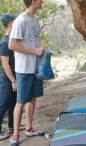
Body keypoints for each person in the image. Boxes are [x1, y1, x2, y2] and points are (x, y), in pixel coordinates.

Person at [9, 0, 45, 145]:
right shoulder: (20, 21)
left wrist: (41, 53)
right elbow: (12, 45)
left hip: (36, 67)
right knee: (21, 101)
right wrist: (34, 51)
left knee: (33, 98)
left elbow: (34, 42)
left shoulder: (35, 19)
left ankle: (29, 128)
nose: (42, 1)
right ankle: (15, 135)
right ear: (33, 1)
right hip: (23, 69)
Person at [0, 13, 16, 141]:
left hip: (13, 78)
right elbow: (5, 64)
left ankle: (11, 127)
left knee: (13, 103)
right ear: (11, 23)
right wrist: (13, 80)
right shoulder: (5, 42)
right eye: (15, 20)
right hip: (7, 79)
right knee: (3, 105)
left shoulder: (11, 40)